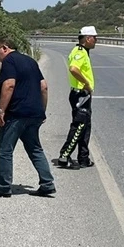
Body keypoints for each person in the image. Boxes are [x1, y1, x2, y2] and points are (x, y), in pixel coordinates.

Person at [0, 39, 56, 198]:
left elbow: (9, 85)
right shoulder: (30, 61)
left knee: (5, 150)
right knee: (35, 149)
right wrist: (41, 111)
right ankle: (47, 183)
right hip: (34, 115)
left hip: (16, 114)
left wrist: (1, 111)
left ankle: (3, 187)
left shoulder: (9, 61)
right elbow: (43, 87)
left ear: (5, 48)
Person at [55, 25, 96, 169]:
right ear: (88, 38)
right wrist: (85, 83)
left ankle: (83, 158)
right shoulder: (80, 52)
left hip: (83, 95)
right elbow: (73, 68)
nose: (96, 41)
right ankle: (64, 156)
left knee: (85, 127)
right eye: (94, 38)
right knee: (79, 126)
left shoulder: (83, 51)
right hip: (80, 95)